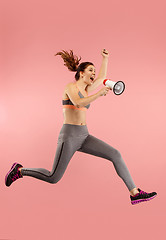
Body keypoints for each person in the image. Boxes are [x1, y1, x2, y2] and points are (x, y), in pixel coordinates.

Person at [5, 49, 157, 205]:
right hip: (69, 136)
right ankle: (19, 170)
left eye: (94, 71)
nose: (93, 74)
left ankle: (135, 193)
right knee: (53, 177)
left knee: (115, 154)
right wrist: (98, 95)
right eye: (91, 70)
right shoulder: (70, 87)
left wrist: (105, 58)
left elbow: (102, 78)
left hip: (84, 136)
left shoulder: (86, 90)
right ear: (81, 73)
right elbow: (78, 102)